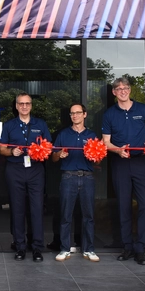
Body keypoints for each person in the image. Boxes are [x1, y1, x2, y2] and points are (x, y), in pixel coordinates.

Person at [102, 77, 145, 266]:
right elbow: (106, 142)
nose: (123, 91)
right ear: (114, 92)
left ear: (130, 90)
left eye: (126, 88)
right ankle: (127, 246)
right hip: (121, 163)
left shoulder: (143, 109)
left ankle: (141, 248)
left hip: (141, 163)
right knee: (123, 205)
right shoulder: (109, 114)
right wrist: (118, 150)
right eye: (119, 88)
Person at [0, 92, 52, 262]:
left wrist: (41, 152)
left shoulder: (40, 124)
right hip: (15, 169)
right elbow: (2, 149)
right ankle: (20, 246)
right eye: (21, 103)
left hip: (36, 170)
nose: (24, 106)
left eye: (27, 103)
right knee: (17, 208)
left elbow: (48, 147)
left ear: (31, 105)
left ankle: (37, 247)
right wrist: (11, 151)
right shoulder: (9, 125)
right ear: (16, 106)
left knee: (37, 208)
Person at [52, 104, 99, 263]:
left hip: (87, 177)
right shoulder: (63, 134)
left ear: (84, 114)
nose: (75, 116)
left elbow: (99, 159)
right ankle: (65, 249)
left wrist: (94, 156)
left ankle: (89, 249)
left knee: (89, 215)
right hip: (68, 177)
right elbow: (53, 157)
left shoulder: (92, 135)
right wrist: (60, 154)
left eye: (78, 113)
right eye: (72, 113)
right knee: (65, 215)